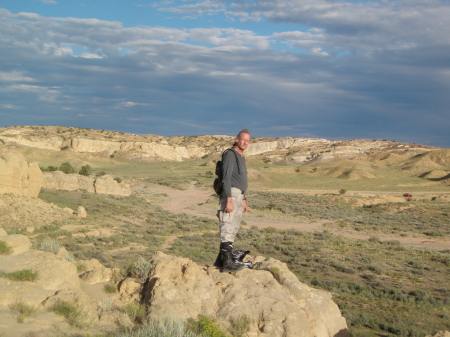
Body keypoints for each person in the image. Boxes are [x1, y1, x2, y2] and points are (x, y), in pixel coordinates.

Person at [214, 129, 251, 272]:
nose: (245, 143)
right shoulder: (230, 155)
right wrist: (228, 199)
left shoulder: (241, 157)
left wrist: (244, 199)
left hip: (239, 196)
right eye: (243, 139)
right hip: (231, 196)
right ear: (237, 139)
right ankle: (227, 264)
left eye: (248, 141)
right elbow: (226, 178)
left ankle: (221, 261)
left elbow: (241, 179)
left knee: (233, 228)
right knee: (227, 227)